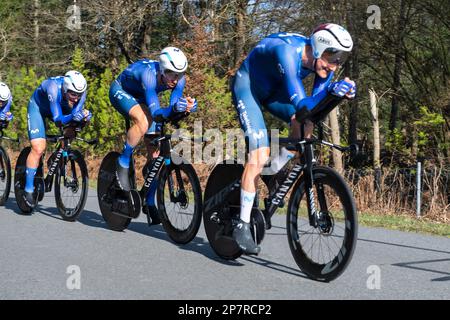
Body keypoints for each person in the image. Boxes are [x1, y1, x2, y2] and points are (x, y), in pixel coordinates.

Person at [231, 23, 357, 255]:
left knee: (305, 126)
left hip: (274, 92)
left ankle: (272, 172)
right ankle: (242, 223)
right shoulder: (287, 53)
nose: (334, 65)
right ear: (319, 48)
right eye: (332, 56)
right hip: (248, 86)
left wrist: (339, 94)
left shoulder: (322, 66)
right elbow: (301, 103)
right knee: (259, 153)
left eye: (341, 59)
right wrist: (331, 93)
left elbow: (313, 110)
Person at [109, 46, 197, 225]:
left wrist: (184, 108)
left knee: (156, 156)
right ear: (162, 69)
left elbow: (171, 107)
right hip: (122, 92)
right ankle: (123, 160)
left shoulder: (179, 79)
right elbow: (157, 111)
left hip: (143, 97)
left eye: (180, 74)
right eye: (172, 74)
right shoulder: (148, 75)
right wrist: (172, 109)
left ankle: (149, 201)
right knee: (143, 121)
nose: (176, 78)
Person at [23, 70, 92, 207]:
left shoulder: (78, 92)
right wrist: (73, 116)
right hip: (39, 108)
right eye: (73, 94)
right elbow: (58, 120)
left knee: (76, 125)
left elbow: (75, 113)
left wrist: (84, 117)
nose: (76, 98)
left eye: (79, 94)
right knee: (38, 148)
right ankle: (28, 189)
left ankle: (57, 155)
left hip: (61, 107)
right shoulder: (53, 87)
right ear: (65, 88)